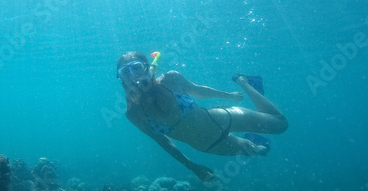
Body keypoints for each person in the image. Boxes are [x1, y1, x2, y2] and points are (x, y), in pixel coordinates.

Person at [117, 51, 288, 181]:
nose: (133, 75)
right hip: (209, 146)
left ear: (148, 67)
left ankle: (244, 82)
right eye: (125, 72)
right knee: (257, 151)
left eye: (137, 67)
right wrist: (192, 167)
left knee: (281, 125)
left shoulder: (171, 79)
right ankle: (255, 141)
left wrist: (228, 95)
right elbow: (162, 141)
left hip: (220, 119)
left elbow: (198, 91)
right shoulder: (133, 113)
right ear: (122, 80)